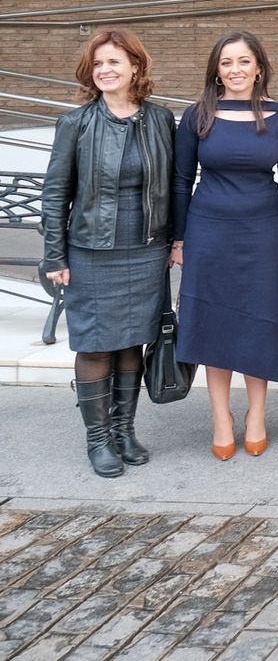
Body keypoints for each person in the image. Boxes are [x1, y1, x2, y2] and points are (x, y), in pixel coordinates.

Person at [41, 27, 176, 478]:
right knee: (97, 344)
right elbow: (56, 194)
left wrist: (176, 241)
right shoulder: (75, 123)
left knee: (133, 342)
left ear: (135, 67)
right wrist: (55, 256)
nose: (105, 70)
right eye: (98, 63)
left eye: (114, 62)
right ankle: (97, 440)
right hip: (92, 252)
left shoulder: (159, 120)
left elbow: (173, 186)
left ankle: (124, 430)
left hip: (146, 250)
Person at [172, 30, 278, 461]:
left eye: (244, 61)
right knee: (215, 322)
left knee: (259, 321)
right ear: (216, 70)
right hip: (208, 230)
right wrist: (179, 237)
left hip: (261, 231)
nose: (236, 70)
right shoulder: (197, 116)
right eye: (227, 62)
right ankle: (222, 417)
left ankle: (257, 415)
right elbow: (180, 180)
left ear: (258, 68)